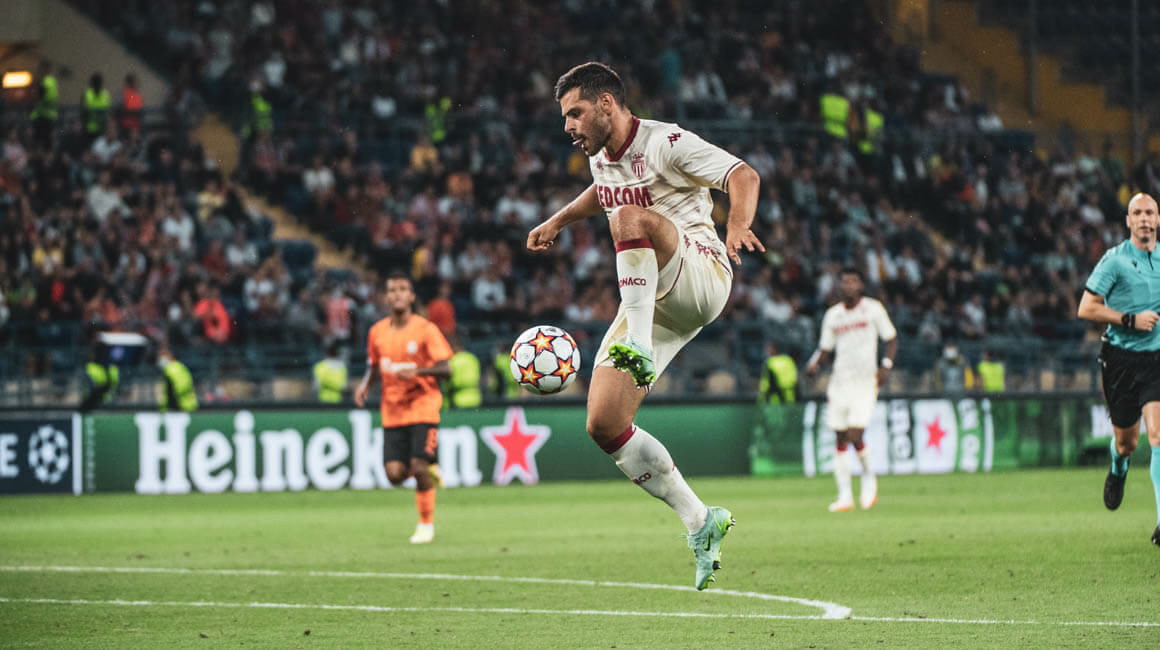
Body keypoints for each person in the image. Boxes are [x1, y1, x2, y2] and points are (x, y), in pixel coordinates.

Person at [526, 62, 764, 590]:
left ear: (606, 103)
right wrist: (558, 220)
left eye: (575, 113)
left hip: (701, 274)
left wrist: (737, 225)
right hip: (654, 299)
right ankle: (700, 520)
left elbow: (742, 175)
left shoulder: (666, 142)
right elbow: (603, 192)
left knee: (629, 218)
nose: (568, 126)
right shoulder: (602, 159)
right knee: (604, 423)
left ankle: (637, 343)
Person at [1077, 192, 1160, 547]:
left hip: (1156, 359)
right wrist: (1129, 319)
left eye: (1149, 212)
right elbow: (1086, 308)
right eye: (1137, 213)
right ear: (1128, 220)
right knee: (1127, 443)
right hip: (1121, 360)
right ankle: (1118, 466)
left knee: (1158, 436)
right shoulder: (1114, 260)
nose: (1144, 219)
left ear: (1158, 219)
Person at [354, 271, 452, 544]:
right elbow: (375, 365)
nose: (397, 294)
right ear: (385, 297)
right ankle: (429, 466)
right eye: (392, 290)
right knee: (394, 475)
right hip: (393, 409)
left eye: (402, 289)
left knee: (418, 467)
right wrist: (365, 385)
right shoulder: (377, 332)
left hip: (423, 405)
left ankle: (425, 525)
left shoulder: (425, 329)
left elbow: (446, 369)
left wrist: (418, 371)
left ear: (411, 296)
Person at [805, 267, 897, 513]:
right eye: (845, 281)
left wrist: (886, 365)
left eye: (853, 281)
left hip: (865, 382)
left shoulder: (873, 309)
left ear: (861, 285)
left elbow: (891, 338)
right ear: (839, 286)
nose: (849, 285)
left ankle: (869, 478)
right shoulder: (833, 315)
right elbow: (826, 348)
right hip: (840, 382)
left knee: (855, 435)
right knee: (840, 438)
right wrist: (814, 364)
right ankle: (844, 495)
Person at [157, 341, 198, 413]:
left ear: (169, 355)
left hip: (181, 407)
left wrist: (168, 404)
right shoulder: (175, 367)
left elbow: (179, 388)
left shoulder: (173, 368)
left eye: (161, 355)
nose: (159, 358)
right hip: (183, 407)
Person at [445, 337, 482, 409]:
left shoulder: (453, 360)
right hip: (475, 398)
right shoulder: (473, 358)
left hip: (458, 399)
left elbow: (449, 383)